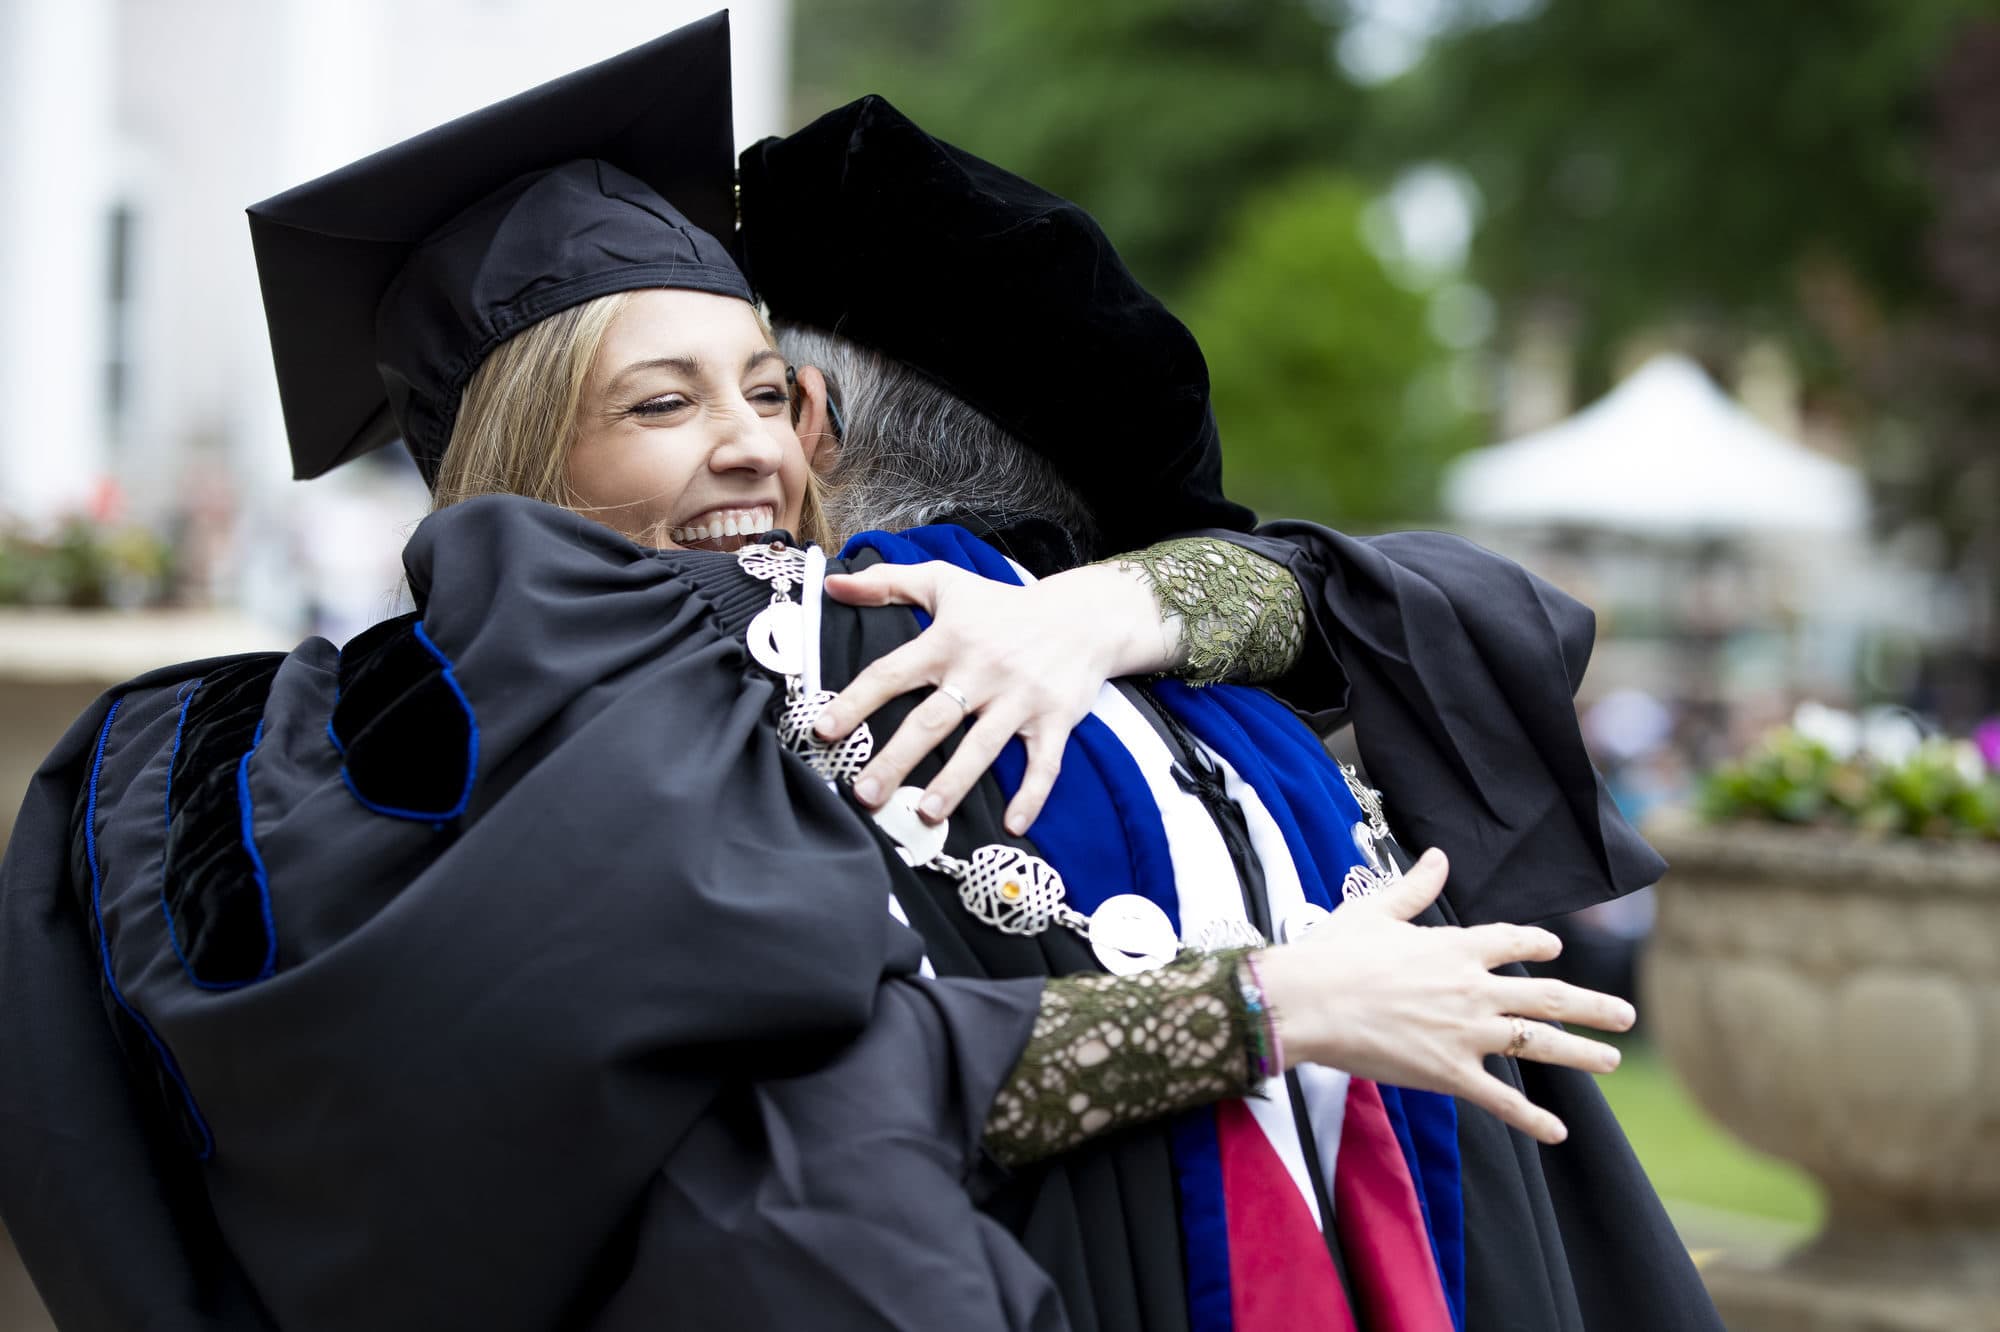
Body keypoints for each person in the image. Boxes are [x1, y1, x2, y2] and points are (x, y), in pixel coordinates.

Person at [0, 17, 1649, 1332]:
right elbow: (772, 1114)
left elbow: (1439, 607)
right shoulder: (423, 740)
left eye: (768, 392)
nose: (745, 446)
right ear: (514, 467)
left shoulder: (923, 627)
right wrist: (1273, 1009)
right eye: (658, 405)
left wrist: (1123, 603)